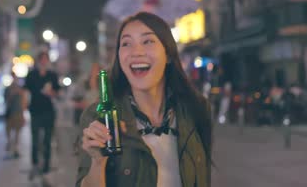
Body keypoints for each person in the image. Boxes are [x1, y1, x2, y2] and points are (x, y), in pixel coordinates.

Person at [77, 12, 212, 187]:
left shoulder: (197, 108)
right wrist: (98, 162)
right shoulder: (99, 118)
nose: (136, 52)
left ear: (168, 54)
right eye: (126, 43)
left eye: (147, 41)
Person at [24, 51, 60, 175]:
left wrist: (52, 93)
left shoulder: (52, 75)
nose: (44, 62)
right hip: (35, 110)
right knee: (35, 139)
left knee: (47, 139)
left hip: (49, 111)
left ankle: (46, 165)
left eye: (46, 59)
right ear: (38, 61)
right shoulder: (31, 75)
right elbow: (26, 91)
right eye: (42, 59)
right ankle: (35, 163)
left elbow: (58, 92)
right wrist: (24, 107)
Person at [4, 71, 26, 158]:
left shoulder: (20, 89)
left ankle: (15, 148)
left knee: (17, 131)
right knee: (9, 130)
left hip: (18, 112)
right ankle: (10, 144)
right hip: (10, 112)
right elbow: (6, 100)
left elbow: (23, 101)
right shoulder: (8, 89)